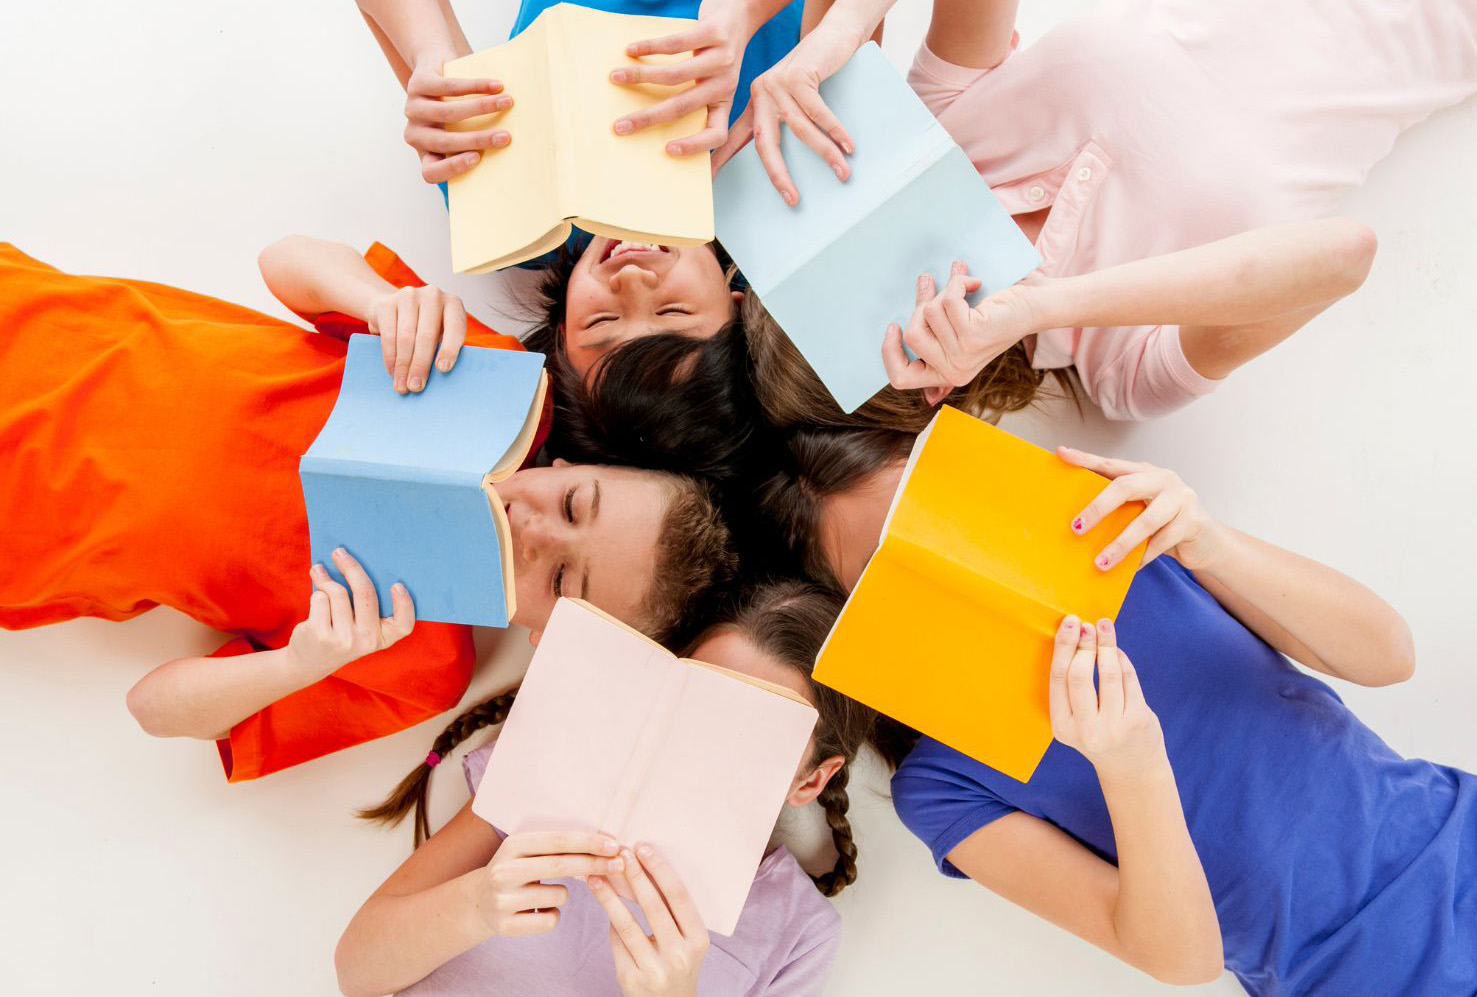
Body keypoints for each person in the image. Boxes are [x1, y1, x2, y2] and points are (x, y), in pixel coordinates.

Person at [762, 420, 1477, 993]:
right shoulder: (943, 784)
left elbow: (1389, 656)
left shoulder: (1123, 550)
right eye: (887, 574)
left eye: (932, 518)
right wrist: (1132, 766)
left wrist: (1208, 541)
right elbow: (1182, 960)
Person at [0, 238, 736, 781]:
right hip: (38, 320)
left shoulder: (416, 665)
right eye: (573, 504)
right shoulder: (495, 385)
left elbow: (154, 709)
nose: (533, 531)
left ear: (546, 638)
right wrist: (379, 301)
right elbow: (283, 261)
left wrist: (300, 662)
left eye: (562, 579)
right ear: (576, 466)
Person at [714, 0, 1477, 421]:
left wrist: (835, 36)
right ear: (933, 381)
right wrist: (1039, 305)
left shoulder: (941, 134)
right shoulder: (1119, 364)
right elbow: (1343, 254)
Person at [337, 580, 877, 996]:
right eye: (704, 700)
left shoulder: (797, 932)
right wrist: (475, 907)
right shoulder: (545, 772)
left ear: (811, 779)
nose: (711, 743)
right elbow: (356, 968)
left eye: (758, 732)